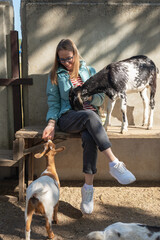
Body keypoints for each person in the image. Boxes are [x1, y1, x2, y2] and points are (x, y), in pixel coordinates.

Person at [42, 39, 136, 214]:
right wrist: (51, 123)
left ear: (76, 55)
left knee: (89, 136)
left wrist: (89, 97)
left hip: (91, 120)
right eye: (61, 60)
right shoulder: (55, 75)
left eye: (69, 58)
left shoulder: (89, 71)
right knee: (89, 116)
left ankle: (88, 189)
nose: (66, 63)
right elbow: (54, 103)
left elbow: (101, 98)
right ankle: (114, 163)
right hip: (68, 117)